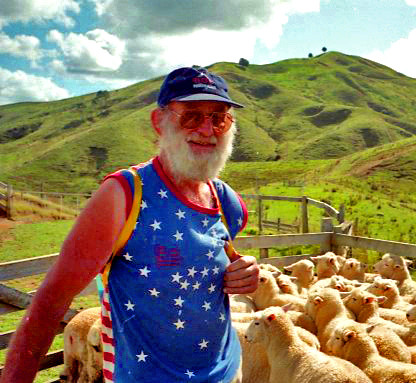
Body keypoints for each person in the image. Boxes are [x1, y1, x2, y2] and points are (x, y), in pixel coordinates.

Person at [1, 67, 260, 383]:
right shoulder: (124, 194)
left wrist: (244, 271)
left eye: (219, 118)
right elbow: (48, 305)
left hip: (227, 373)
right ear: (158, 122)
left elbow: (214, 259)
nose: (207, 129)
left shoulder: (225, 199)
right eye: (192, 116)